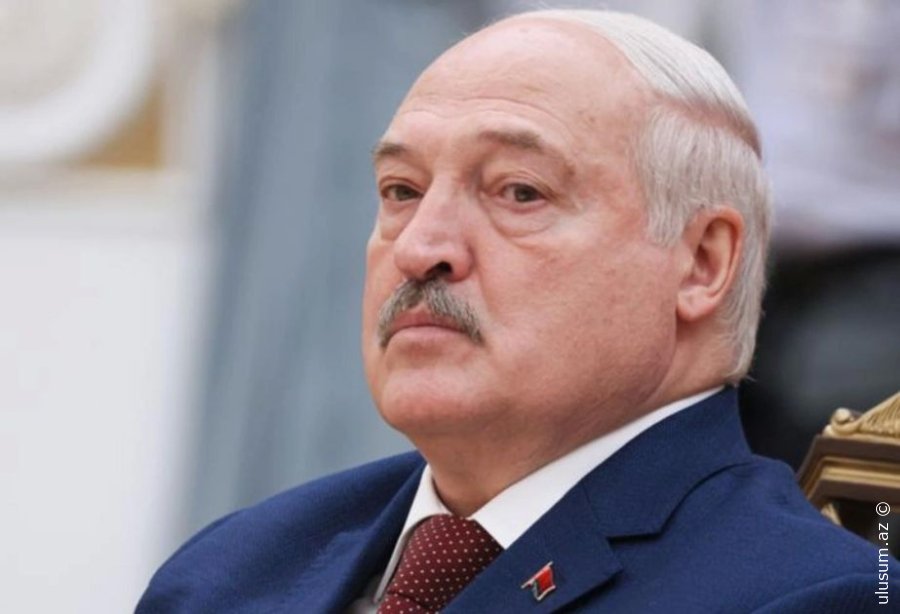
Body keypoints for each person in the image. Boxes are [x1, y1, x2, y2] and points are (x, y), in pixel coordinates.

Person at [137, 9, 899, 613]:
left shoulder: (817, 596)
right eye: (401, 191)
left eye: (519, 192)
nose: (421, 248)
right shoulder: (227, 571)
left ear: (701, 263)